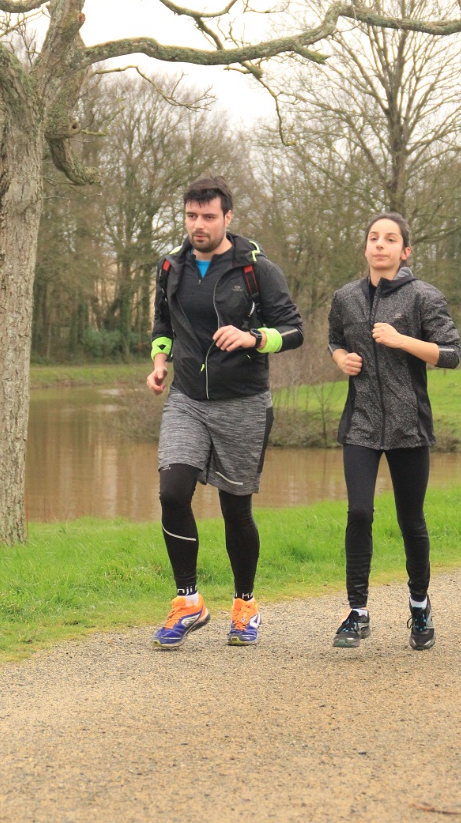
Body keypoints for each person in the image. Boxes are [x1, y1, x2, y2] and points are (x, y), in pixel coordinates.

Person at [147, 175, 303, 649]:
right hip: (187, 399)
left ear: (228, 218)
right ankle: (188, 602)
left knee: (236, 509)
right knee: (173, 492)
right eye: (191, 216)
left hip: (243, 402)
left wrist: (252, 337)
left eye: (209, 216)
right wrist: (159, 362)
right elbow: (163, 323)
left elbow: (293, 330)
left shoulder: (256, 269)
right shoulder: (170, 266)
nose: (199, 224)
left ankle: (245, 605)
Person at [328, 212, 460, 651]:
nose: (380, 245)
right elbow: (334, 338)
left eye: (389, 239)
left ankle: (419, 605)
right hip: (361, 423)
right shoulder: (345, 298)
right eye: (373, 238)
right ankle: (357, 612)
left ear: (405, 251)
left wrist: (403, 340)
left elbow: (451, 353)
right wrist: (340, 358)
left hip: (409, 426)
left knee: (411, 520)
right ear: (365, 247)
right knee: (359, 513)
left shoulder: (424, 296)